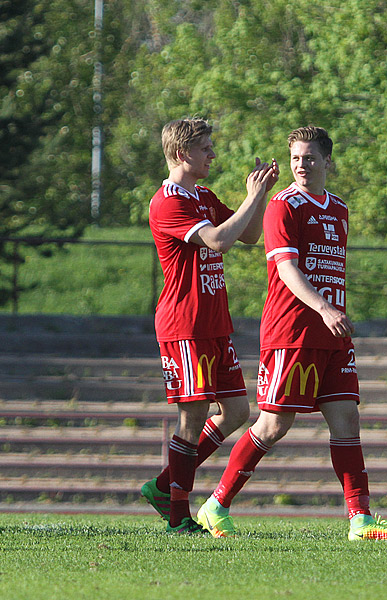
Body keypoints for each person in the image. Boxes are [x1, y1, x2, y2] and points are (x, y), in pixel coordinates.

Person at [195, 126, 387, 541]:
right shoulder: (283, 206)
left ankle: (360, 520)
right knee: (274, 424)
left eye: (309, 158)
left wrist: (333, 313)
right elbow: (286, 269)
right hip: (292, 332)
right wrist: (325, 307)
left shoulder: (338, 209)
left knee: (347, 418)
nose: (301, 165)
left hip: (332, 334)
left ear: (327, 161)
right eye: (295, 158)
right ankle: (215, 504)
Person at [140, 117, 279, 534]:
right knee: (193, 417)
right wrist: (250, 197)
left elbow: (249, 236)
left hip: (215, 323)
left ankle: (165, 486)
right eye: (206, 148)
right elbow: (219, 240)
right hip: (186, 325)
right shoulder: (168, 201)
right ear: (183, 154)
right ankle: (179, 515)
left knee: (236, 411)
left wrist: (260, 197)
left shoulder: (202, 195)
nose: (213, 154)